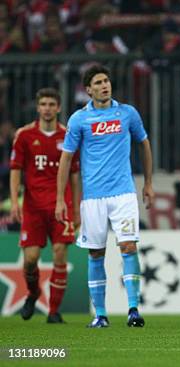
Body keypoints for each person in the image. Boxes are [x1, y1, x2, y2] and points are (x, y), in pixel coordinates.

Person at [55, 65, 155, 328]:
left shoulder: (127, 113)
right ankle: (100, 314)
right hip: (93, 198)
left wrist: (148, 183)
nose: (104, 85)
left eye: (106, 81)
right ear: (88, 90)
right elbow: (66, 159)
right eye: (98, 82)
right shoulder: (79, 119)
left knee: (129, 247)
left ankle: (133, 310)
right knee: (96, 253)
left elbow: (143, 143)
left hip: (123, 194)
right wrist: (59, 199)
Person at [10, 88, 81, 324]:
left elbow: (74, 175)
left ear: (58, 108)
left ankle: (53, 311)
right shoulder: (24, 135)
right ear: (38, 107)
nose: (48, 108)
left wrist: (76, 209)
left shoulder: (68, 135)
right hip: (33, 208)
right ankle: (33, 293)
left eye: (52, 104)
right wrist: (14, 201)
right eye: (44, 104)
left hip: (61, 205)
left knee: (60, 254)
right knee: (30, 259)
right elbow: (16, 170)